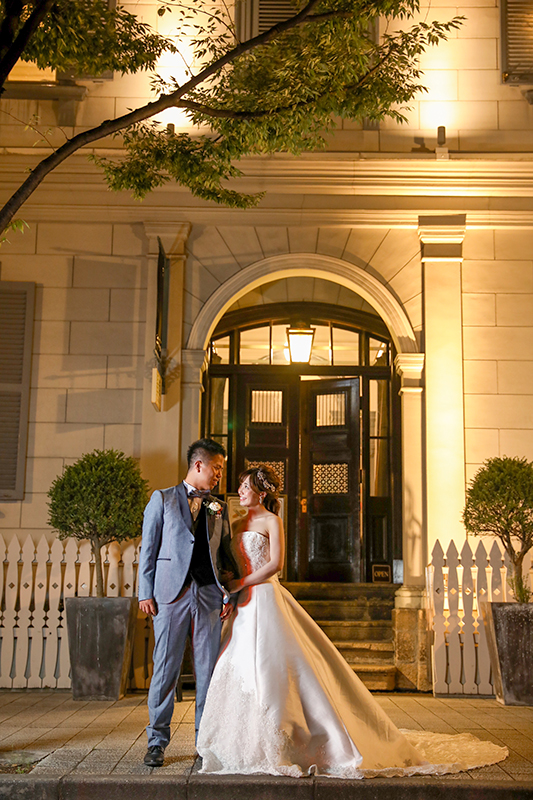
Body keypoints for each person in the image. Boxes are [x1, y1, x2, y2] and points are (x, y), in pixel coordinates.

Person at [196, 464, 508, 778]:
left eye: (246, 486)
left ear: (262, 493)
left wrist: (242, 582)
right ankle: (239, 741)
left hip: (264, 597)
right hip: (241, 602)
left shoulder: (271, 520)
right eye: (241, 486)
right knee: (238, 667)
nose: (241, 491)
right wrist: (229, 587)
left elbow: (275, 564)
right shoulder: (236, 522)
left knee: (270, 667)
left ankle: (287, 740)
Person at [138, 438, 237, 768]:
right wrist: (145, 593)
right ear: (198, 465)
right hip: (170, 595)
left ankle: (204, 742)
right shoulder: (162, 499)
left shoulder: (217, 507)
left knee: (207, 672)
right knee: (165, 668)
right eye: (216, 468)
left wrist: (229, 591)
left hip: (208, 595)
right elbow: (148, 549)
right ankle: (156, 742)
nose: (219, 474)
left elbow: (225, 553)